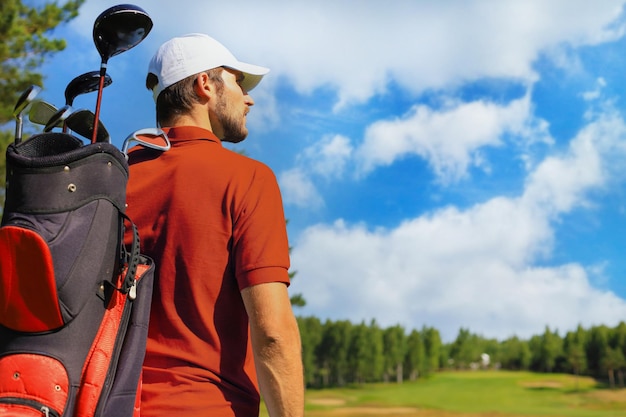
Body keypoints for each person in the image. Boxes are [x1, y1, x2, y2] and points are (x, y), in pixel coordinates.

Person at [124, 33, 304, 417]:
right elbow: (272, 333)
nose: (249, 98)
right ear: (205, 83)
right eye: (238, 81)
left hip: (105, 402)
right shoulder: (247, 179)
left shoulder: (111, 177)